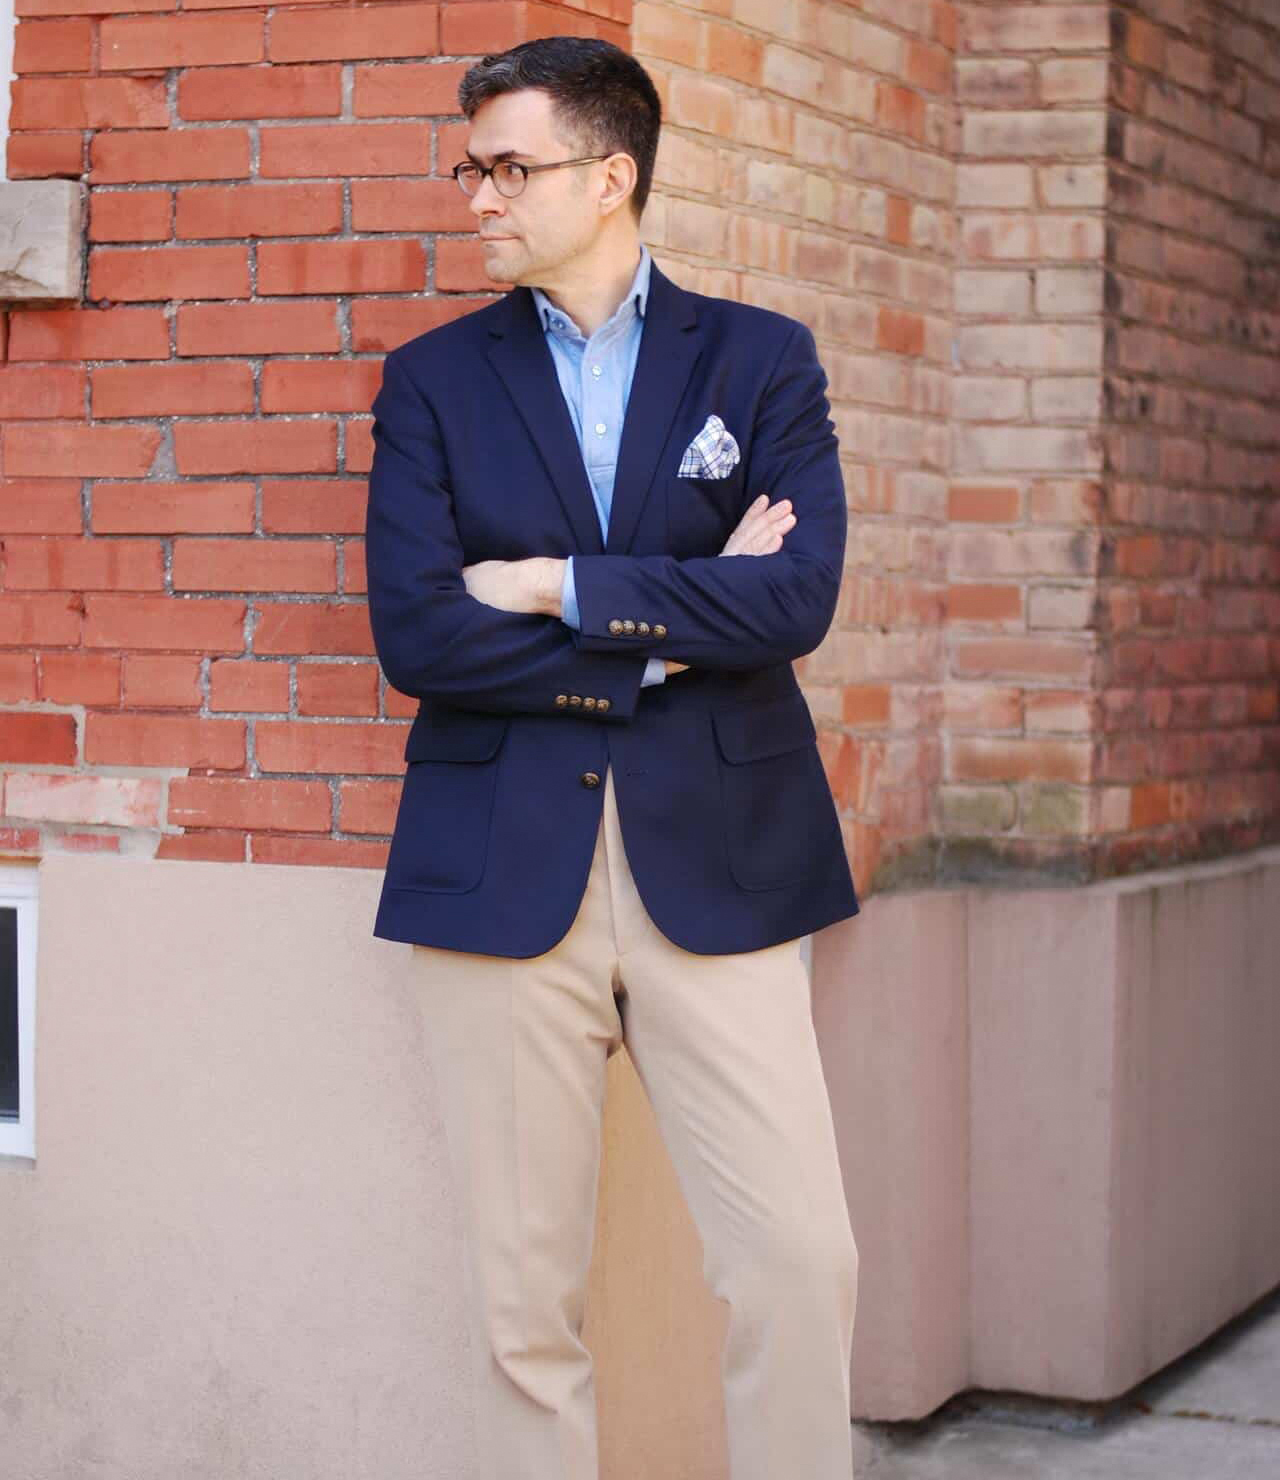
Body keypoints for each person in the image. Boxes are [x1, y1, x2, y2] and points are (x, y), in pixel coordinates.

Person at [364, 35, 860, 1480]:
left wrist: (554, 586)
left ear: (612, 176)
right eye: (472, 169)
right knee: (526, 1308)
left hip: (723, 859)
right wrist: (665, 624)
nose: (478, 198)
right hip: (503, 872)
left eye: (508, 167)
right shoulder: (434, 382)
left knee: (798, 1262)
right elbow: (418, 635)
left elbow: (799, 600)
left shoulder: (763, 360)